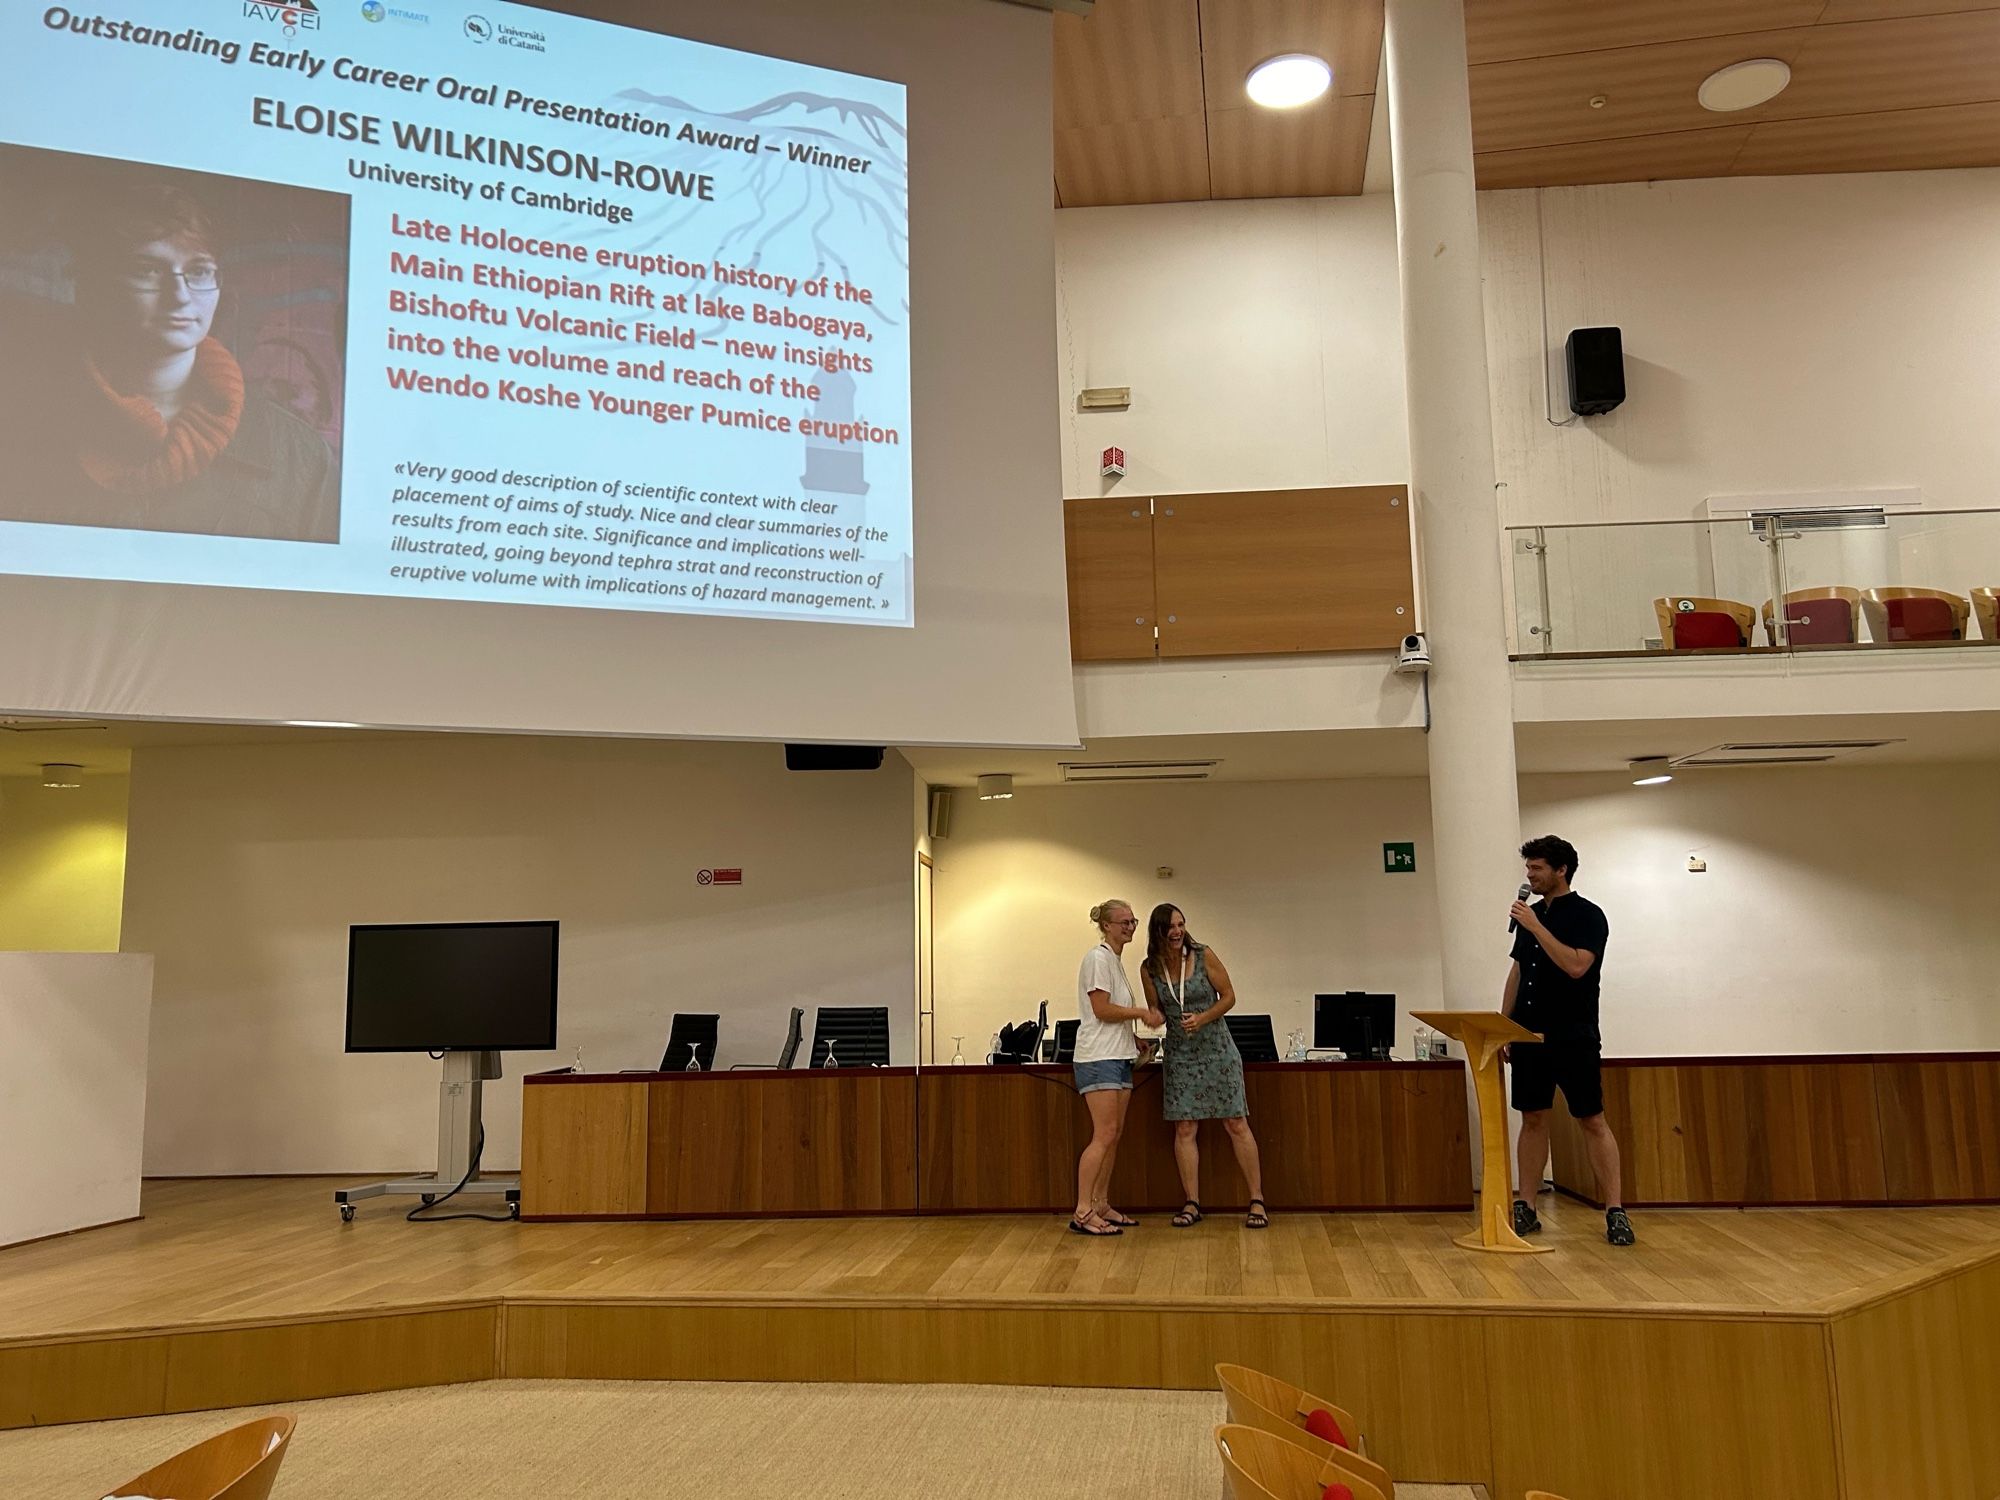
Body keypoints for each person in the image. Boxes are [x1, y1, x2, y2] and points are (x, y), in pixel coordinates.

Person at [0, 178, 339, 541]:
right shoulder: (21, 430)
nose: (179, 296)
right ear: (96, 285)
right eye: (146, 269)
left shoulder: (300, 457)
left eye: (199, 271)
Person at [1503, 834, 1633, 1246]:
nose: (1530, 876)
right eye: (1528, 869)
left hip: (1572, 1035)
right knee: (1533, 1117)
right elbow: (1518, 971)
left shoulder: (1588, 915)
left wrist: (1537, 926)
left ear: (1561, 870)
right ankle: (1527, 1205)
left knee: (1591, 1119)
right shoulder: (1530, 917)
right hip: (1528, 1035)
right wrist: (1503, 1025)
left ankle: (1615, 1210)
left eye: (1537, 869)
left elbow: (1576, 967)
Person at [1138, 904, 1266, 1229]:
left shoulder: (1203, 953)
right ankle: (1192, 1203)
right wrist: (1148, 1021)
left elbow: (1229, 996)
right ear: (1158, 932)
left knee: (1236, 1123)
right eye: (1171, 927)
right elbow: (1158, 1010)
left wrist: (1204, 1017)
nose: (1178, 931)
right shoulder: (1149, 968)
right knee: (1185, 1128)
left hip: (1217, 1049)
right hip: (1180, 1053)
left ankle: (1257, 1201)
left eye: (1181, 924)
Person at [1069, 899, 1162, 1236]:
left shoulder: (1116, 961)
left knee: (1114, 1135)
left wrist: (1134, 1039)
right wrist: (1141, 1014)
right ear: (1106, 925)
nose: (1129, 927)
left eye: (1133, 921)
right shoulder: (1097, 958)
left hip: (1118, 1054)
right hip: (1098, 1058)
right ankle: (1082, 1210)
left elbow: (1114, 1015)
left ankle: (1100, 1203)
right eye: (1123, 922)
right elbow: (1101, 1010)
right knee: (1104, 1134)